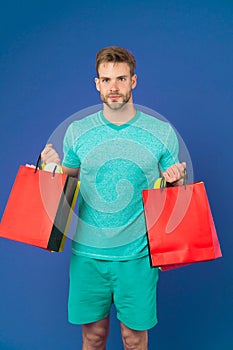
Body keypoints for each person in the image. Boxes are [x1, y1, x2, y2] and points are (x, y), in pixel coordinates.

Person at [41, 46, 186, 350]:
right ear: (97, 84)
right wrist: (50, 167)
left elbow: (174, 191)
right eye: (106, 80)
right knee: (93, 339)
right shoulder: (78, 131)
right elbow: (69, 179)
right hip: (88, 256)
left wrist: (177, 180)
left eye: (121, 78)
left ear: (134, 81)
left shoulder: (160, 132)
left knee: (134, 340)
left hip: (138, 257)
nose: (114, 87)